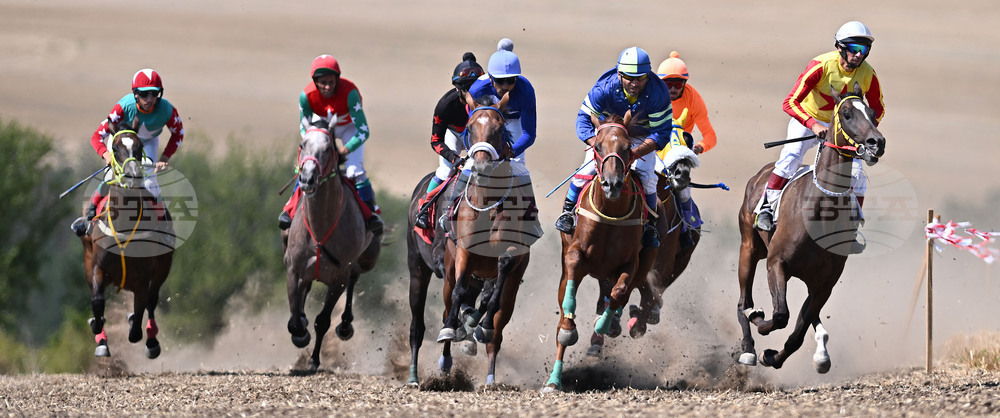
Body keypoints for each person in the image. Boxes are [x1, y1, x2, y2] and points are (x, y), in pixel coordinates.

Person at [754, 21, 884, 253]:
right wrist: (813, 125)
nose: (858, 55)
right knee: (791, 155)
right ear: (840, 47)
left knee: (857, 175)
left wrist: (863, 136)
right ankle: (765, 208)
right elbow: (790, 101)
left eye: (863, 50)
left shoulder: (868, 75)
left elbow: (877, 109)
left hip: (843, 129)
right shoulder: (821, 65)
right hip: (808, 119)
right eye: (854, 48)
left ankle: (851, 229)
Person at [554, 46, 672, 248]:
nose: (635, 83)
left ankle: (650, 225)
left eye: (640, 78)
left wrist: (634, 154)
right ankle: (567, 212)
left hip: (640, 138)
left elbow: (661, 133)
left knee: (648, 176)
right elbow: (583, 119)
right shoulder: (604, 88)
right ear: (619, 75)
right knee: (588, 168)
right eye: (629, 77)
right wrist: (597, 146)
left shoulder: (658, 93)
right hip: (606, 136)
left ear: (648, 76)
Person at [437, 38, 538, 228]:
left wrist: (512, 151)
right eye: (500, 81)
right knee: (471, 164)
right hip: (486, 124)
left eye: (511, 80)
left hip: (514, 121)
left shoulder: (526, 91)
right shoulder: (477, 89)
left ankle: (532, 217)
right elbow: (472, 127)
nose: (506, 86)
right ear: (490, 77)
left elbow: (529, 133)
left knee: (519, 167)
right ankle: (448, 211)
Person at [70, 68, 184, 236]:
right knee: (111, 177)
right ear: (135, 94)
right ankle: (89, 218)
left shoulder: (167, 110)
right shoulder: (124, 107)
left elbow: (178, 134)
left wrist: (164, 158)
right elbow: (97, 136)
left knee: (151, 183)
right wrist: (107, 155)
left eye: (154, 94)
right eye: (144, 94)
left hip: (147, 144)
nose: (150, 99)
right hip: (121, 142)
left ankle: (164, 225)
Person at [278, 54, 383, 235]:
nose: (327, 87)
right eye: (323, 83)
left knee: (354, 171)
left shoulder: (350, 93)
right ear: (315, 81)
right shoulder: (306, 96)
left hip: (349, 128)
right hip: (321, 128)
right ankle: (290, 209)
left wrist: (346, 149)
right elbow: (304, 128)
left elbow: (363, 131)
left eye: (331, 82)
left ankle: (370, 212)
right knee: (307, 168)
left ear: (338, 79)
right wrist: (313, 139)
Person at [413, 52, 484, 230]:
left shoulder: (488, 101)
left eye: (476, 87)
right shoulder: (445, 105)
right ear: (458, 88)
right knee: (446, 170)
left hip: (476, 134)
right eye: (467, 88)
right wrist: (454, 158)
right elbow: (435, 141)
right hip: (453, 134)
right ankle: (425, 209)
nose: (472, 94)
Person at [654, 50, 717, 248]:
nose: (672, 89)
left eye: (678, 84)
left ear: (685, 83)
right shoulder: (651, 95)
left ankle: (687, 227)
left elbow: (710, 136)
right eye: (668, 84)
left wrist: (698, 148)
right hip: (653, 147)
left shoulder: (693, 98)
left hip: (677, 152)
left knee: (682, 189)